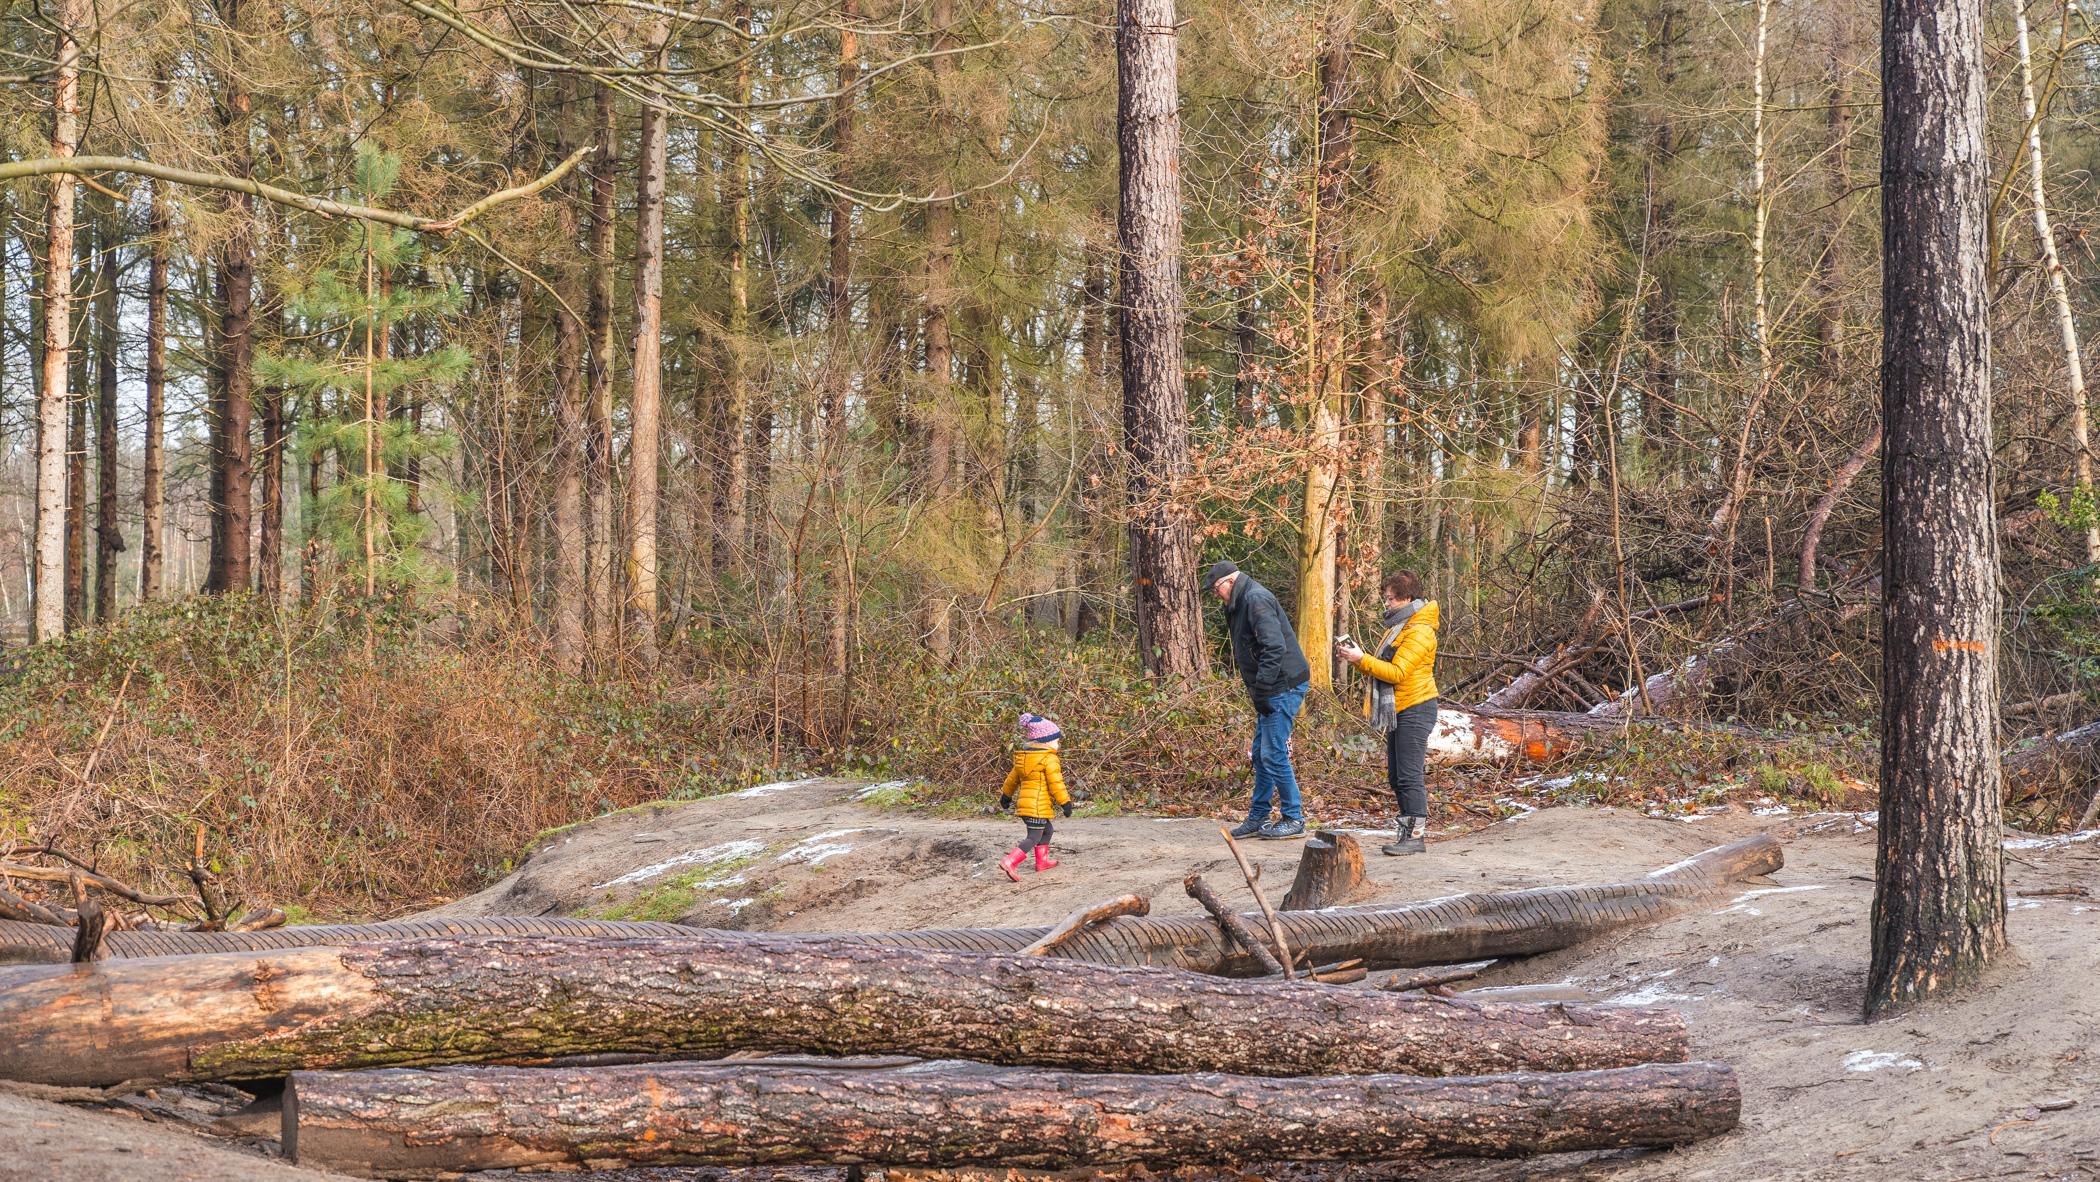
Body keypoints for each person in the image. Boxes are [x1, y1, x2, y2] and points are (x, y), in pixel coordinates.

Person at [1206, 560, 1313, 841]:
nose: (1216, 595)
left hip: (1283, 685)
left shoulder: (1255, 599)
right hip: (1270, 687)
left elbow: (1274, 646)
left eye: (1217, 589)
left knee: (1273, 752)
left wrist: (1263, 688)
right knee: (1260, 751)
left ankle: (1294, 817)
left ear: (1230, 581)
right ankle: (1258, 816)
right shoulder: (1240, 601)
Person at [1338, 572, 1440, 855]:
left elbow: (1396, 673)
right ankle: (1407, 832)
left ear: (1407, 598)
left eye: (1391, 598)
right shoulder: (1402, 626)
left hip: (1417, 707)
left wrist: (1361, 659)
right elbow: (1382, 665)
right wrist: (1358, 659)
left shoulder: (1419, 630)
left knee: (1409, 775)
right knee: (1396, 776)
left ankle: (1415, 837)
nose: (1387, 603)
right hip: (1401, 707)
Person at [998, 712, 1074, 881]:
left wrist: (1006, 796)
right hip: (1037, 806)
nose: (1058, 744)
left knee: (1047, 830)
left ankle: (1043, 861)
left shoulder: (1024, 758)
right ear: (1046, 741)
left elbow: (1012, 780)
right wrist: (1065, 802)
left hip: (1026, 806)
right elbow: (1056, 783)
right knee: (1033, 837)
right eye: (1056, 740)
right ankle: (1010, 861)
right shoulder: (1049, 759)